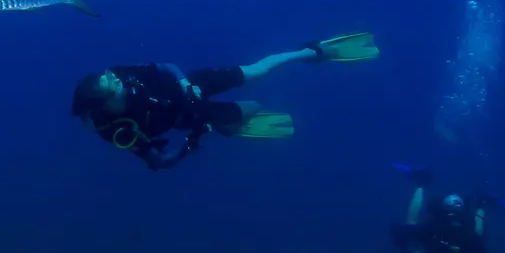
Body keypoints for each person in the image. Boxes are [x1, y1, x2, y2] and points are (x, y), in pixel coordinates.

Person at [69, 33, 379, 170]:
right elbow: (159, 162)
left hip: (189, 87)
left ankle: (310, 53)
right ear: (106, 103)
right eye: (111, 84)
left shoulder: (120, 73)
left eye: (110, 75)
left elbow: (165, 66)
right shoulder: (118, 131)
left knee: (256, 70)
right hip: (188, 119)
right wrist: (189, 147)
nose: (115, 78)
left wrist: (186, 84)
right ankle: (227, 126)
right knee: (250, 109)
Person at [389, 166, 492, 253]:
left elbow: (397, 231)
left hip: (446, 248)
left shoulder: (430, 231)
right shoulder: (470, 240)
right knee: (477, 234)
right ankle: (482, 203)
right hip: (451, 248)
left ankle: (421, 183)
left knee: (411, 223)